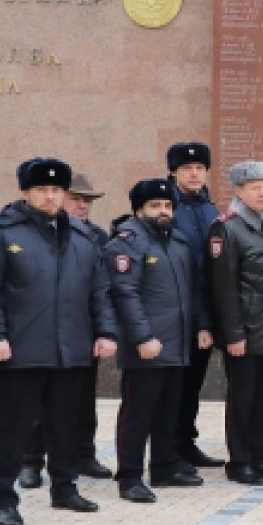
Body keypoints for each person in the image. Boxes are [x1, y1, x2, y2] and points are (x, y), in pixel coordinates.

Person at [0, 158, 117, 525]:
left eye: (56, 190)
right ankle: (4, 499)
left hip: (71, 348)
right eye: (41, 190)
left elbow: (99, 290)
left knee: (65, 424)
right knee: (13, 427)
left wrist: (105, 332)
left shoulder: (83, 237)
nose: (50, 197)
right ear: (26, 192)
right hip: (20, 349)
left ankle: (64, 488)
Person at [104, 178, 212, 503]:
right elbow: (125, 294)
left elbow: (192, 289)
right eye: (155, 206)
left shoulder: (177, 242)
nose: (163, 211)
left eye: (167, 206)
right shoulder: (126, 244)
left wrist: (201, 326)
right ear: (139, 210)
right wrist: (143, 337)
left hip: (177, 343)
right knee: (138, 413)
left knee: (169, 410)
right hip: (147, 346)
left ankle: (165, 466)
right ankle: (129, 476)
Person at [19, 172, 115, 488]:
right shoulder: (34, 233)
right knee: (38, 403)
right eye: (76, 199)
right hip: (42, 331)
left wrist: (104, 330)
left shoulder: (96, 237)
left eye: (88, 200)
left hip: (82, 330)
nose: (83, 205)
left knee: (83, 399)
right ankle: (30, 461)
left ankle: (83, 454)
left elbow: (103, 287)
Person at [208, 161, 263, 486]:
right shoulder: (227, 229)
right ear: (239, 191)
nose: (262, 194)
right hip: (246, 332)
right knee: (243, 401)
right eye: (255, 188)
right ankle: (240, 461)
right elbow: (224, 288)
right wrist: (233, 334)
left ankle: (260, 456)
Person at [166, 141, 224, 471]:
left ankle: (186, 444)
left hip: (204, 311)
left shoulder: (211, 211)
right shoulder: (167, 207)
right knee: (173, 387)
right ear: (174, 172)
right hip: (175, 313)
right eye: (187, 168)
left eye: (200, 168)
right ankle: (168, 450)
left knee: (193, 385)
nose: (194, 174)